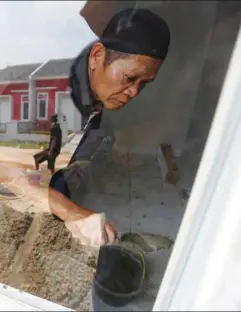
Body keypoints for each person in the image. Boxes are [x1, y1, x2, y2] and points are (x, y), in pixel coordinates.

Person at [48, 7, 171, 246]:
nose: (135, 91)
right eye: (129, 78)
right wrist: (72, 212)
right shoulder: (62, 98)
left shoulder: (110, 106)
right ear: (96, 57)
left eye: (144, 82)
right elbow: (11, 177)